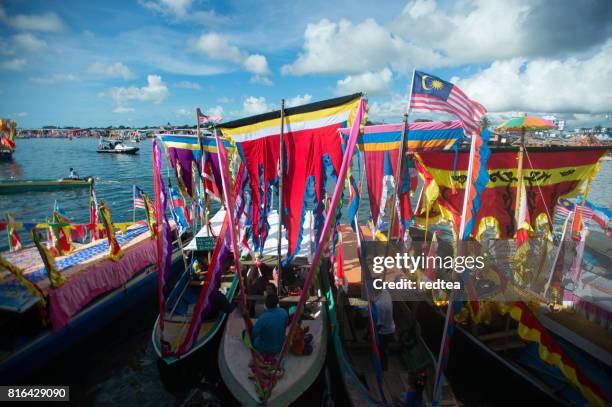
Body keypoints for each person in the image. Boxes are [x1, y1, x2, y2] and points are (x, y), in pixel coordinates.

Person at [252, 293, 288, 362]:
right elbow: (285, 325)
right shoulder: (284, 312)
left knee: (245, 333)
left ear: (266, 304)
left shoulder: (263, 317)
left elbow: (254, 333)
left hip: (264, 348)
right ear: (277, 302)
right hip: (280, 346)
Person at [372, 289, 395, 371]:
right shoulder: (385, 292)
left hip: (385, 332)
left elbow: (379, 325)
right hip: (390, 326)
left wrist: (372, 334)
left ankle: (384, 370)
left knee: (382, 351)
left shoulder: (380, 305)